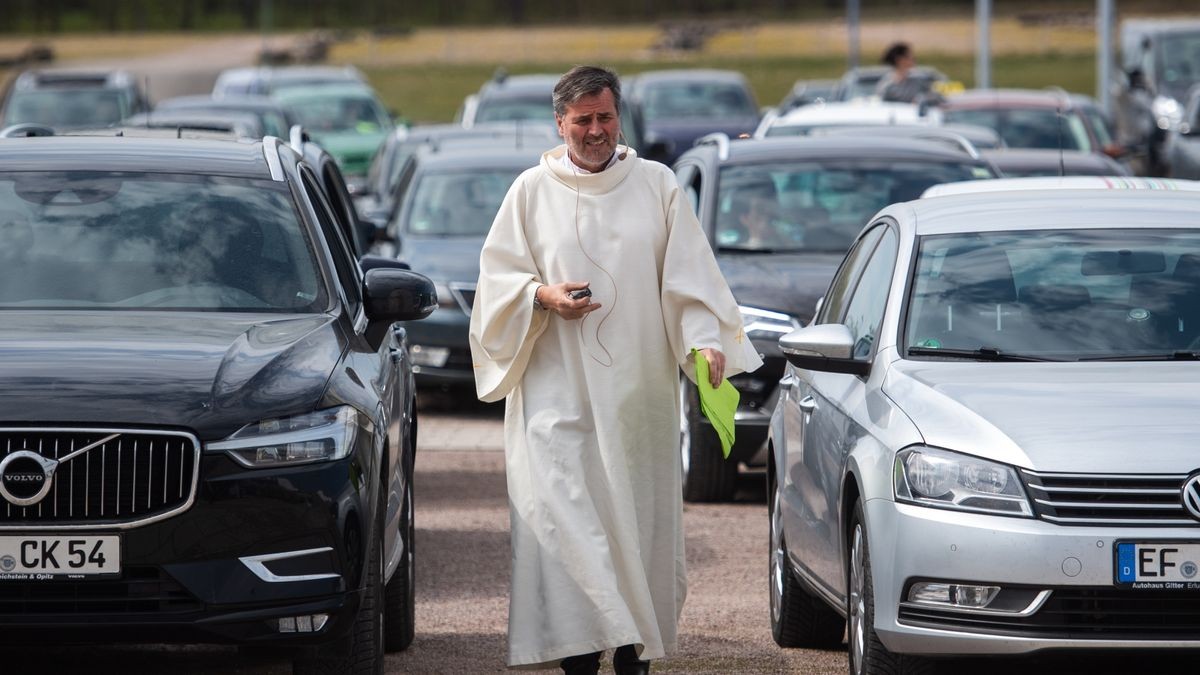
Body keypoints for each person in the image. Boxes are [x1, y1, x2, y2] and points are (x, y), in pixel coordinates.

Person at [468, 65, 761, 674]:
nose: (595, 131)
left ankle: (633, 660)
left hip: (636, 403)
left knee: (635, 530)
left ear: (618, 117)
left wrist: (706, 341)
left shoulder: (657, 186)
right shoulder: (529, 191)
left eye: (605, 118)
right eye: (582, 121)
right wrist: (540, 297)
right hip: (556, 401)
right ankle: (578, 661)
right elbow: (494, 287)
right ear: (560, 123)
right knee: (568, 533)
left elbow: (688, 281)